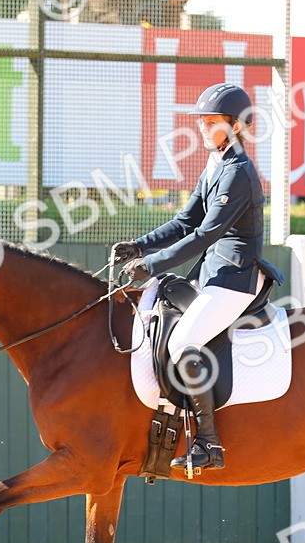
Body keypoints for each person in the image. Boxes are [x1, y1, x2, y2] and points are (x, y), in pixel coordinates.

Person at [113, 83, 282, 473]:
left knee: (185, 340)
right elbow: (185, 220)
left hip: (235, 277)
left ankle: (209, 443)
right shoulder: (217, 163)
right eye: (202, 122)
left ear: (236, 126)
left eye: (212, 122)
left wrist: (152, 265)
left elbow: (205, 234)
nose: (203, 129)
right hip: (212, 271)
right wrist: (139, 247)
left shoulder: (239, 172)